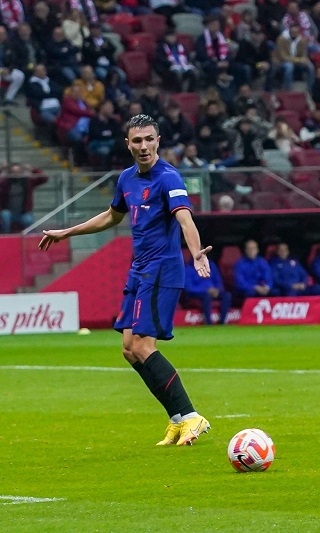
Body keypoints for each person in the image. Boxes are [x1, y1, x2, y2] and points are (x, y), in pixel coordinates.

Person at [38, 114, 212, 447]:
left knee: (143, 346)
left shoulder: (168, 177)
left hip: (162, 270)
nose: (144, 146)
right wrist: (66, 232)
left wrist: (196, 253)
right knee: (130, 350)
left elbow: (185, 219)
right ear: (127, 144)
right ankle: (177, 420)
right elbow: (111, 216)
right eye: (137, 140)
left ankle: (191, 416)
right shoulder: (127, 179)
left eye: (149, 139)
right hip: (140, 270)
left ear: (158, 140)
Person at [184, 254, 232, 325]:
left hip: (213, 291)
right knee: (207, 296)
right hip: (197, 293)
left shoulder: (211, 265)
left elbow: (218, 280)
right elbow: (189, 287)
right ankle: (208, 322)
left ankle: (222, 322)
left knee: (227, 295)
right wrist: (206, 290)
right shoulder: (188, 268)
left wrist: (217, 289)